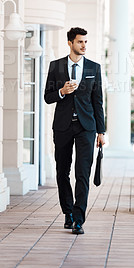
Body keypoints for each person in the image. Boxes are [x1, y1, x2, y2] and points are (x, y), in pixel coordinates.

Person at [44, 27, 105, 235]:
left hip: (86, 128)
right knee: (62, 172)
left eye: (86, 42)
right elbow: (47, 97)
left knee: (83, 174)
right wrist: (61, 91)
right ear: (70, 43)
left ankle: (79, 219)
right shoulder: (56, 67)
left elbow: (98, 102)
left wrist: (101, 131)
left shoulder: (94, 68)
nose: (84, 46)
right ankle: (68, 212)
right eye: (80, 42)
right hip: (62, 127)